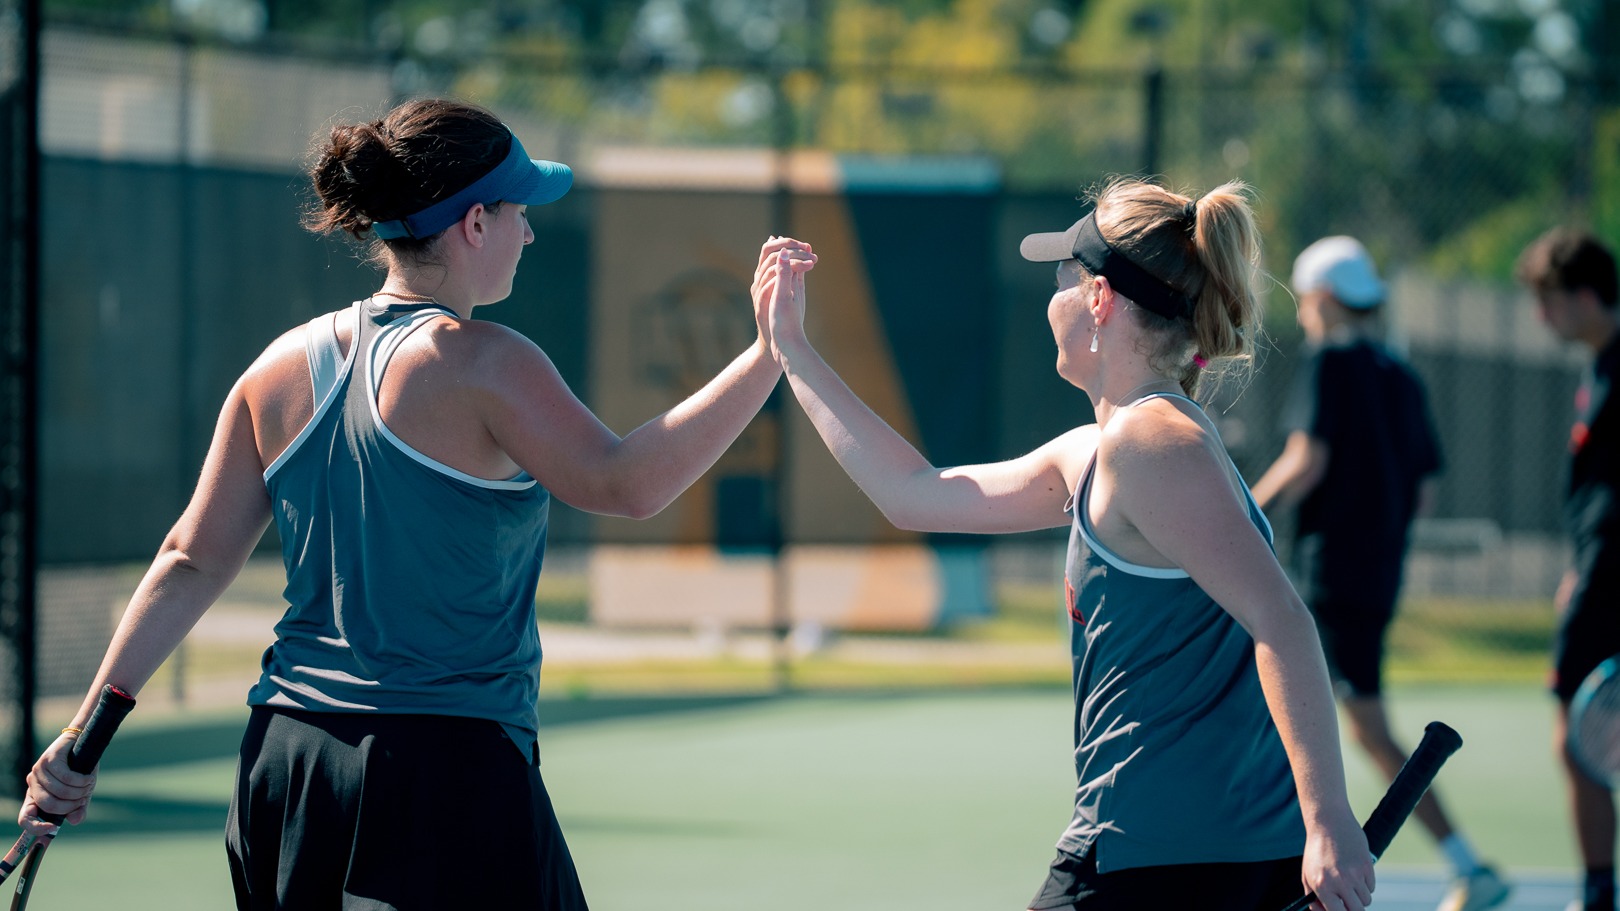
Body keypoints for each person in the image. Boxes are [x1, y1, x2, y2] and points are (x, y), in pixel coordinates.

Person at [17, 97, 814, 909]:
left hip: (286, 769)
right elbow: (626, 482)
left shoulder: (276, 368)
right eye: (519, 212)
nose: (530, 232)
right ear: (474, 224)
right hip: (442, 773)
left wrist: (83, 744)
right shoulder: (483, 363)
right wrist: (766, 355)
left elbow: (188, 561)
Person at [756, 179, 1376, 910]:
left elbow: (1281, 620)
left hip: (1168, 859)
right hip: (1163, 849)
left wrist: (1327, 817)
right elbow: (915, 493)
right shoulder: (1105, 451)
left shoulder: (1153, 445)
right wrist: (791, 349)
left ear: (1100, 300)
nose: (1051, 299)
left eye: (1062, 280)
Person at [1250, 237, 1508, 911]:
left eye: (1305, 302)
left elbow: (1307, 459)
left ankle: (1466, 865)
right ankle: (1460, 862)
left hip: (1329, 572)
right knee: (1341, 720)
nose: (1304, 315)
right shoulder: (1401, 375)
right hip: (1376, 573)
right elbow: (1422, 490)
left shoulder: (1329, 362)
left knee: (1332, 717)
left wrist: (1243, 511)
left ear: (1325, 302)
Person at [1514, 228, 1620, 911]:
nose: (1541, 316)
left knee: (1576, 737)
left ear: (1584, 296)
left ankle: (1597, 894)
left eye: (1548, 301)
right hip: (1597, 574)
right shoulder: (1601, 366)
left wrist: (1593, 571)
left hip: (1609, 585)